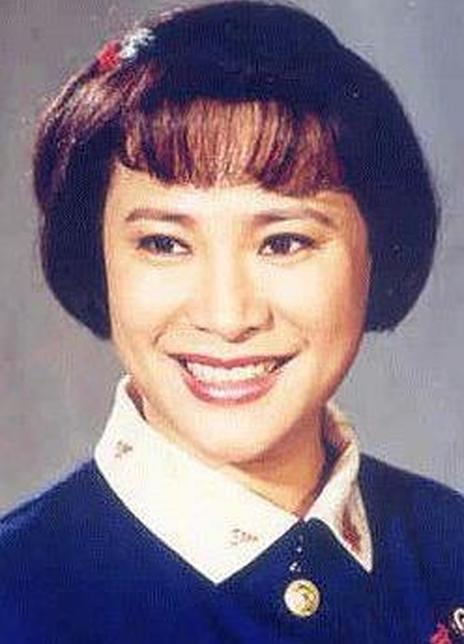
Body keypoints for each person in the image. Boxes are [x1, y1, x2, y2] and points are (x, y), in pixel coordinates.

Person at [1, 1, 463, 642]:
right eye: (164, 243)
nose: (227, 316)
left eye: (284, 242)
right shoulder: (15, 596)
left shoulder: (450, 546)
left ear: (377, 252)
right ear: (96, 258)